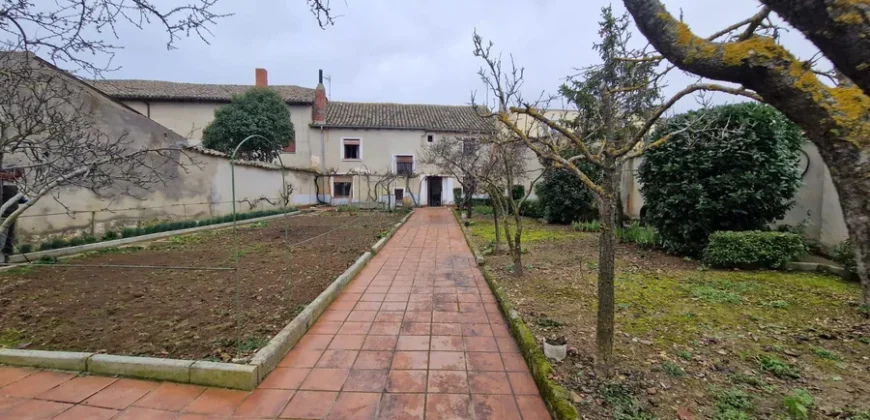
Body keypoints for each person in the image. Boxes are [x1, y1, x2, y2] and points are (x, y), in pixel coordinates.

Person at [1, 169, 27, 264]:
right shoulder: (3, 186)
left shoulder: (12, 185)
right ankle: (3, 259)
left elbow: (18, 199)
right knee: (3, 238)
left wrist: (24, 200)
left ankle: (6, 257)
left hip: (12, 215)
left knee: (9, 237)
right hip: (4, 216)